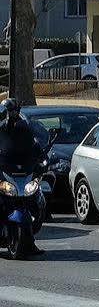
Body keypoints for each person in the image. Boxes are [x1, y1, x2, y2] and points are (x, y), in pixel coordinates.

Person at [0, 100, 46, 252]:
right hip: (4, 171)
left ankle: (30, 241)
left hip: (20, 172)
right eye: (9, 110)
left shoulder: (25, 127)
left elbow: (34, 144)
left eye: (14, 110)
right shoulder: (1, 128)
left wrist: (41, 159)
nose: (12, 113)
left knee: (36, 193)